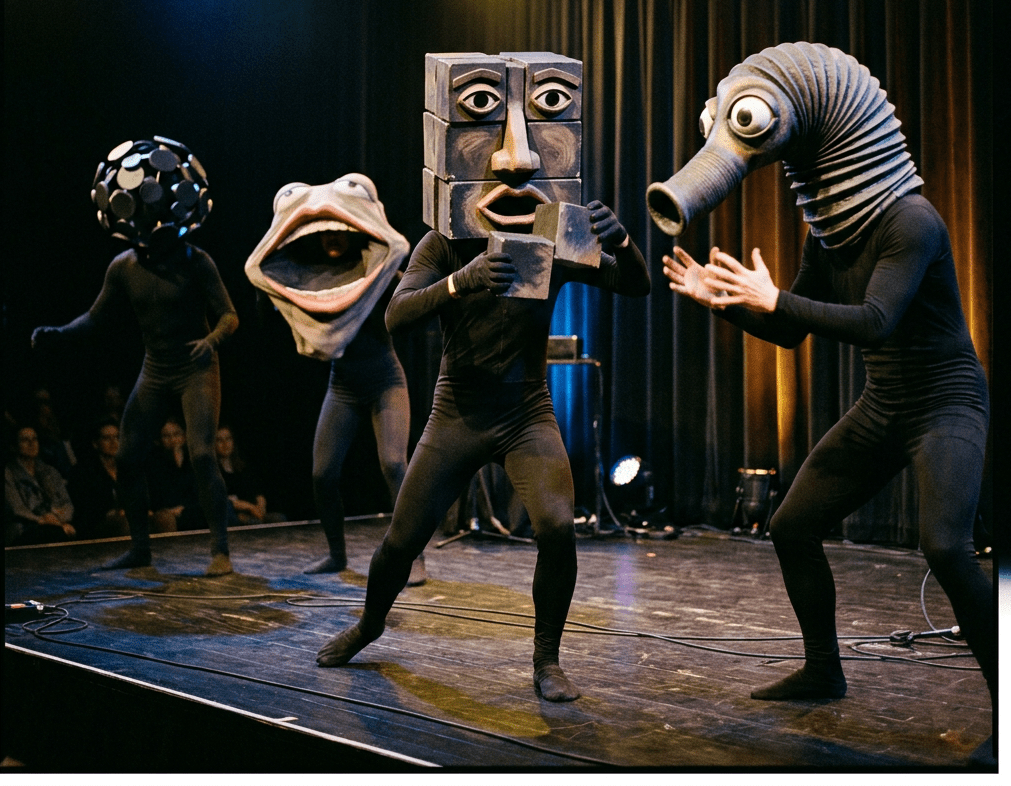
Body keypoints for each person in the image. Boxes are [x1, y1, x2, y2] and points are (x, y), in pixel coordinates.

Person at [653, 43, 993, 762]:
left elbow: (875, 320)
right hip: (887, 403)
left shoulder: (913, 220)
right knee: (792, 524)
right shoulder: (832, 227)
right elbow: (787, 331)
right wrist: (729, 305)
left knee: (946, 547)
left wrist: (774, 297)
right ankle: (823, 670)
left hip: (946, 403)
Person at [315, 51, 651, 703]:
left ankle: (546, 661)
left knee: (556, 527)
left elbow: (635, 289)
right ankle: (369, 624)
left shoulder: (556, 231)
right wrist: (458, 282)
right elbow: (396, 317)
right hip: (456, 413)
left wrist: (624, 241)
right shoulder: (446, 238)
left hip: (526, 412)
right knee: (401, 540)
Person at [31, 136, 239, 576]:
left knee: (202, 454)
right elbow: (94, 319)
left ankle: (220, 550)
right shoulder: (124, 266)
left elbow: (229, 316)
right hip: (157, 369)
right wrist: (57, 334)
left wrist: (212, 342)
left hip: (196, 368)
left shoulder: (196, 261)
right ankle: (140, 548)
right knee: (127, 458)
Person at [244, 174, 417, 578]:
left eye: (340, 233)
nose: (333, 241)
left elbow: (405, 309)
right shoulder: (313, 278)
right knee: (323, 475)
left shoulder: (378, 274)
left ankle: (413, 556)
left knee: (394, 465)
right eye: (326, 236)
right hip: (342, 385)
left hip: (385, 383)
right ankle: (337, 555)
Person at [4, 424, 77, 546]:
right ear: (14, 446)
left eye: (34, 439)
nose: (31, 444)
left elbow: (67, 503)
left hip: (55, 523)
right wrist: (42, 520)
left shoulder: (50, 471)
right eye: (25, 440)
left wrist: (56, 519)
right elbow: (16, 509)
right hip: (24, 528)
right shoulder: (8, 473)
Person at [67, 418, 132, 539]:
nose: (114, 442)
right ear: (95, 443)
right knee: (123, 523)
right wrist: (116, 513)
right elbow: (85, 509)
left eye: (117, 437)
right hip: (98, 524)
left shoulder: (127, 468)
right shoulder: (83, 472)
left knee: (164, 517)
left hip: (130, 516)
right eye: (107, 438)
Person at [215, 424, 284, 526]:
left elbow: (257, 491)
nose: (225, 444)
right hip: (234, 515)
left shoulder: (242, 467)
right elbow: (222, 501)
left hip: (253, 511)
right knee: (252, 523)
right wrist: (250, 507)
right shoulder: (214, 472)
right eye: (220, 440)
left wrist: (260, 508)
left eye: (228, 438)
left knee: (279, 518)